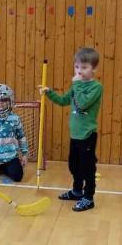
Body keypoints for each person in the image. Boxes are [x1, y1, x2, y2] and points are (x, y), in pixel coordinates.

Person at [38, 47, 102, 212]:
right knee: (74, 165)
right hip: (75, 135)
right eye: (77, 67)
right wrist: (49, 92)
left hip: (87, 135)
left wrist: (77, 84)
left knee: (87, 168)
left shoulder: (96, 87)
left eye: (84, 67)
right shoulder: (77, 86)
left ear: (94, 68)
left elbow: (83, 103)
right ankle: (77, 191)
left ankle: (88, 198)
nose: (79, 71)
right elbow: (63, 100)